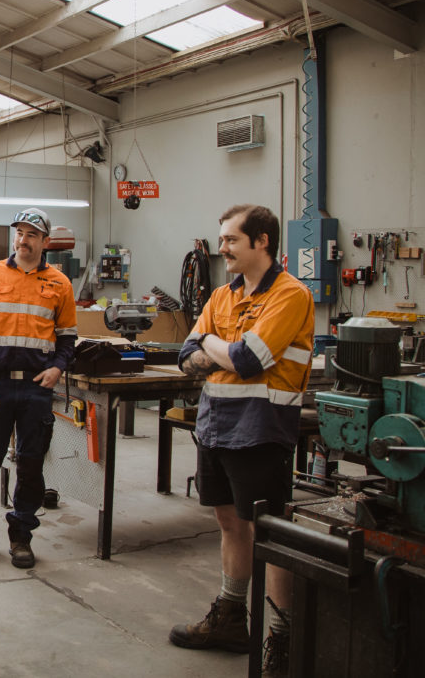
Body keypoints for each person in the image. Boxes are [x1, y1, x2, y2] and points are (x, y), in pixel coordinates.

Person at [168, 204, 314, 677]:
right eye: (222, 240)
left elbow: (249, 361)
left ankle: (282, 640)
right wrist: (220, 349)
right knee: (230, 523)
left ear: (261, 241)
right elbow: (184, 356)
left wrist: (212, 345)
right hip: (216, 426)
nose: (223, 249)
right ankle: (232, 620)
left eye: (231, 240)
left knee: (269, 532)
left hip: (262, 430)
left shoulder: (290, 295)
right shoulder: (221, 295)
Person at [0, 207, 77, 569]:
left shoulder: (60, 284)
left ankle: (22, 536)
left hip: (36, 388)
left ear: (45, 242)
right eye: (19, 233)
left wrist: (57, 368)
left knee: (30, 465)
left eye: (31, 235)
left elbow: (68, 338)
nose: (23, 240)